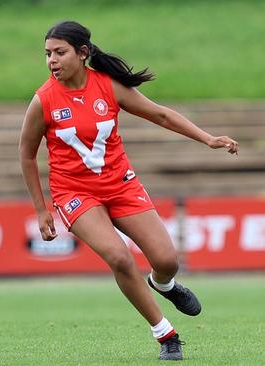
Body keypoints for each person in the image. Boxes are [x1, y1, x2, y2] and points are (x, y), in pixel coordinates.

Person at [19, 21, 238, 361]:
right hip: (74, 193)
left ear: (83, 53)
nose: (52, 61)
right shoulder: (43, 100)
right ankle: (166, 334)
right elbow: (26, 154)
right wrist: (41, 209)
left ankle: (163, 284)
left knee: (166, 260)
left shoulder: (108, 86)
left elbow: (161, 115)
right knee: (119, 257)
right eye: (47, 54)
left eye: (60, 53)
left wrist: (208, 138)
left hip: (121, 185)